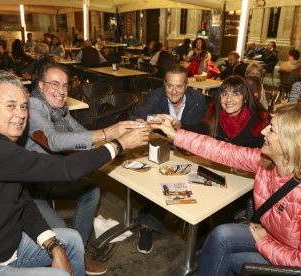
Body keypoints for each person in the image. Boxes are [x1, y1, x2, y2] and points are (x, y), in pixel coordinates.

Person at [0, 71, 149, 276]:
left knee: (70, 240)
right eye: (10, 106)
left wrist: (54, 246)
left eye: (23, 106)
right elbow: (65, 168)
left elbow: (22, 201)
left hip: (3, 246)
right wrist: (118, 145)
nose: (20, 114)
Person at [153, 104, 301, 275]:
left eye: (272, 129)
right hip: (273, 237)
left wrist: (264, 242)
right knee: (221, 235)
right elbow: (222, 150)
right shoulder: (267, 163)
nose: (263, 131)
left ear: (291, 142)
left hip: (299, 266)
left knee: (233, 259)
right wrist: (175, 135)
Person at [24, 64, 147, 275]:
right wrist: (110, 134)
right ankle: (73, 250)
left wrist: (119, 139)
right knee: (63, 232)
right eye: (55, 84)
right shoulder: (33, 105)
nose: (61, 91)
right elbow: (52, 141)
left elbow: (82, 134)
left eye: (65, 85)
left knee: (91, 190)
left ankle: (78, 253)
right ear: (40, 85)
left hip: (50, 177)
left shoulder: (59, 110)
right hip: (27, 189)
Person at [130, 64, 207, 254]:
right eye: (169, 86)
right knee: (159, 186)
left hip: (190, 152)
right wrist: (157, 118)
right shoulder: (157, 95)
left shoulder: (198, 100)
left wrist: (182, 126)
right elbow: (138, 115)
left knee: (199, 190)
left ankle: (200, 231)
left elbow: (204, 129)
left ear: (187, 85)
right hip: (162, 151)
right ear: (164, 84)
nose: (173, 91)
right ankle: (147, 226)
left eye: (179, 86)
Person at [185, 76, 270, 149]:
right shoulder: (214, 116)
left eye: (236, 94)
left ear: (245, 98)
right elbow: (197, 130)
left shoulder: (259, 124)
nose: (228, 99)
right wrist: (179, 126)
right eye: (224, 94)